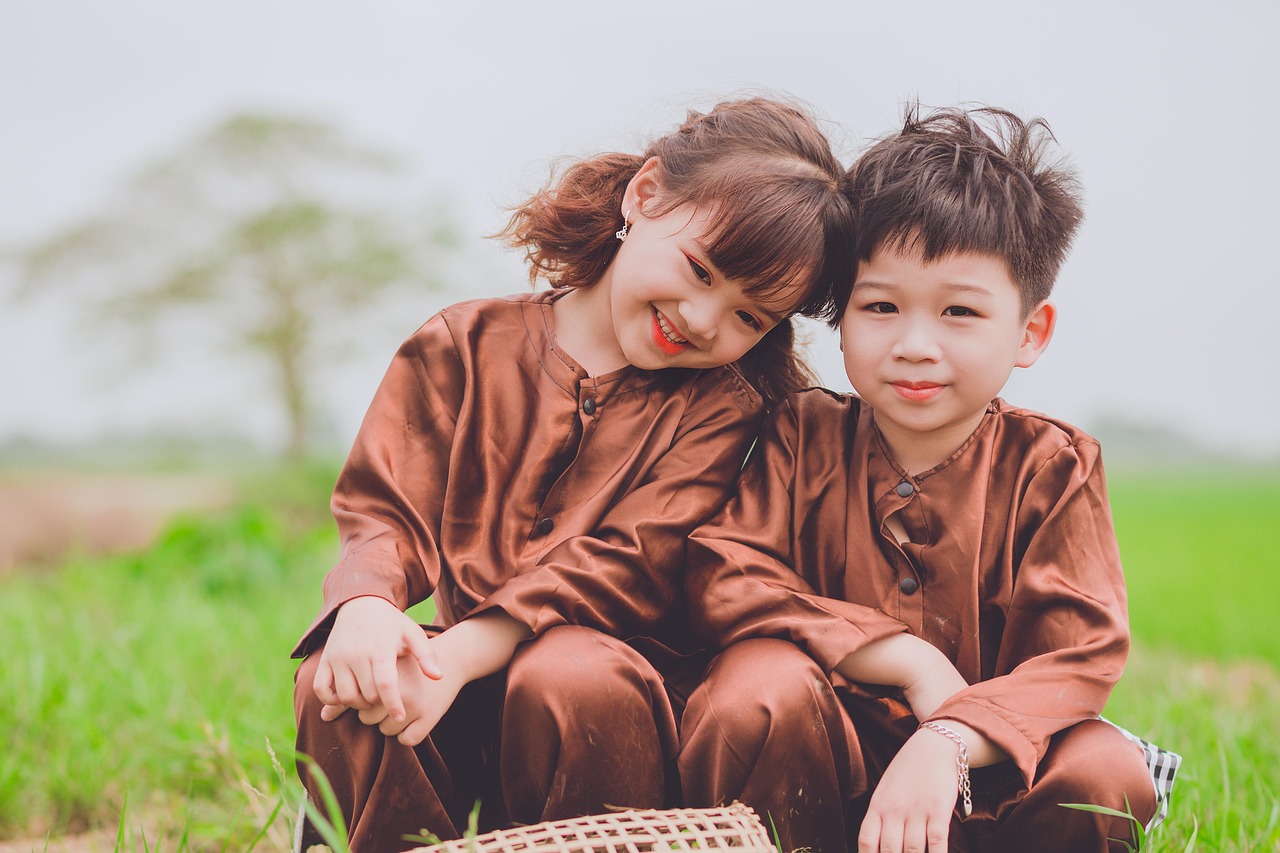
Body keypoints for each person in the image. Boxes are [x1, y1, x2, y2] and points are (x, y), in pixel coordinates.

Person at [290, 96, 857, 852]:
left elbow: (621, 564)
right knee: (344, 674)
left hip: (609, 715)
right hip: (452, 694)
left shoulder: (722, 409)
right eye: (699, 269)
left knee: (571, 670)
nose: (702, 318)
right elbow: (385, 510)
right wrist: (365, 603)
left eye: (749, 317)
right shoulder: (463, 343)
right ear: (645, 194)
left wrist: (462, 652)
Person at [679, 106, 1177, 852]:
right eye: (880, 305)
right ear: (839, 317)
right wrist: (902, 656)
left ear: (1029, 332)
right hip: (819, 765)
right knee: (757, 685)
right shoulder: (801, 434)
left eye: (959, 311)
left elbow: (1077, 655)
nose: (915, 344)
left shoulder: (1053, 466)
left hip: (990, 773)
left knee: (1106, 768)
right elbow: (726, 572)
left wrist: (948, 735)